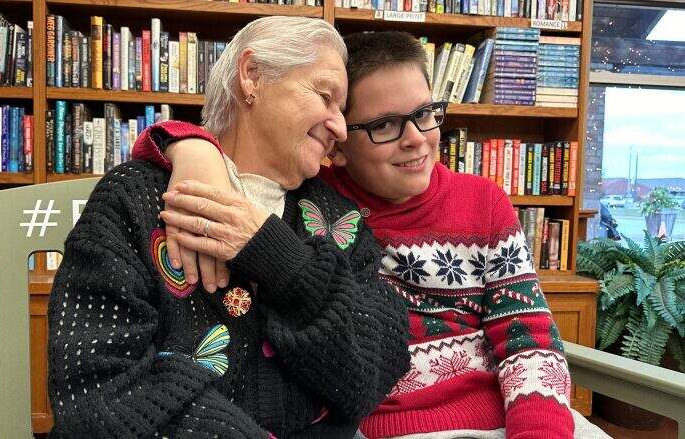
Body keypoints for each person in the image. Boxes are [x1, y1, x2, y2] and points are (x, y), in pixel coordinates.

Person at [153, 31, 611, 439]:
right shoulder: (318, 203)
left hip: (507, 417)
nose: (416, 138)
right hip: (382, 424)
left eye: (426, 113)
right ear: (336, 142)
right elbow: (240, 159)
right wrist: (189, 146)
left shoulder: (483, 202)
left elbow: (528, 337)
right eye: (384, 125)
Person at [46, 17, 410, 439]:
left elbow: (367, 377)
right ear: (252, 76)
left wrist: (283, 261)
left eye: (342, 112)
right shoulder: (137, 199)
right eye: (325, 97)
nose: (341, 128)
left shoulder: (338, 220)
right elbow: (96, 392)